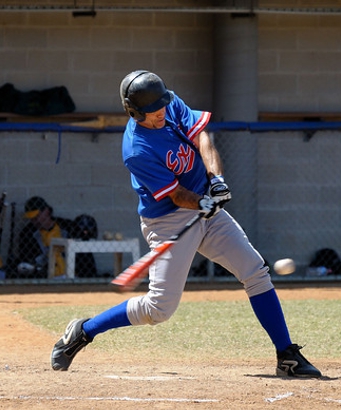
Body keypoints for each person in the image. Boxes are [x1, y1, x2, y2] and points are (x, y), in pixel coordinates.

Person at [51, 70, 322, 378]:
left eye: (162, 108)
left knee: (255, 271)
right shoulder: (137, 150)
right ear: (134, 112)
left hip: (205, 204)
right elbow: (178, 195)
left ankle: (286, 355)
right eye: (153, 114)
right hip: (167, 219)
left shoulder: (167, 101)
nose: (161, 115)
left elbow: (201, 135)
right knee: (159, 309)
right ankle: (84, 331)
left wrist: (215, 180)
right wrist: (202, 202)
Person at [16, 196, 97, 278]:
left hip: (74, 275)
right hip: (47, 277)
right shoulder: (28, 234)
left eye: (38, 215)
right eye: (32, 218)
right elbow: (27, 260)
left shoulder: (67, 226)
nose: (36, 220)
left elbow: (84, 253)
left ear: (47, 211)